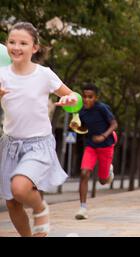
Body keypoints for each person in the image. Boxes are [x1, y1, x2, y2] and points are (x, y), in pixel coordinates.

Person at [0, 22, 78, 236]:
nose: (16, 47)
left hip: (38, 144)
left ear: (34, 48)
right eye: (12, 42)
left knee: (20, 187)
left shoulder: (44, 74)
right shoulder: (2, 74)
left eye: (23, 43)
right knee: (13, 204)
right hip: (9, 145)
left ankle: (40, 207)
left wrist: (71, 99)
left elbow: (75, 98)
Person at [70, 82, 118, 220]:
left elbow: (114, 124)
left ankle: (109, 171)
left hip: (106, 146)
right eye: (85, 96)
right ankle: (82, 208)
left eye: (90, 97)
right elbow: (84, 128)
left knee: (103, 181)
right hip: (91, 146)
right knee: (84, 173)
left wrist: (103, 136)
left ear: (95, 97)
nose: (87, 100)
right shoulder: (81, 111)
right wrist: (76, 127)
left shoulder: (102, 108)